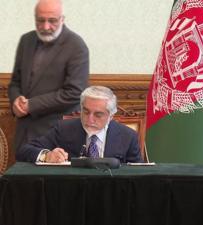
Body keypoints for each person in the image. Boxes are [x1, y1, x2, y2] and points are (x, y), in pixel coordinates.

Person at [8, 0, 89, 153]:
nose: (45, 27)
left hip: (56, 136)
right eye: (40, 20)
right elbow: (15, 82)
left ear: (62, 19)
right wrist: (16, 100)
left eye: (52, 21)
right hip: (23, 133)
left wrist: (30, 105)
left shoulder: (76, 46)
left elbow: (74, 92)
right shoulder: (26, 41)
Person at [16, 86, 143, 163]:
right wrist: (47, 156)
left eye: (98, 115)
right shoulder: (64, 129)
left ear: (111, 116)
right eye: (86, 112)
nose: (90, 119)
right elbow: (24, 151)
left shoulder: (128, 136)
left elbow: (138, 174)